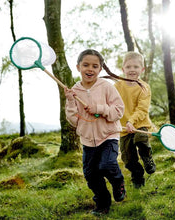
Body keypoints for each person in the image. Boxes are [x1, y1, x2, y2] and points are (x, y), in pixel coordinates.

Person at [64, 49, 126, 215]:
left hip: (108, 136)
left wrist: (99, 108)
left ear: (100, 69)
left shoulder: (107, 87)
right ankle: (102, 205)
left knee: (107, 165)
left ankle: (118, 182)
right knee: (91, 176)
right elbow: (73, 120)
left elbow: (119, 111)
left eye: (94, 66)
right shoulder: (74, 91)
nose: (90, 69)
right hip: (87, 140)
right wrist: (70, 101)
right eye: (86, 65)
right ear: (78, 67)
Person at [115, 51, 156, 189]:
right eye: (128, 67)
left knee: (140, 140)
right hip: (124, 128)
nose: (132, 70)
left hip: (139, 124)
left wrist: (131, 121)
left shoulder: (144, 87)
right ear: (123, 69)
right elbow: (109, 102)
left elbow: (142, 109)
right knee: (127, 158)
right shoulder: (117, 87)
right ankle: (137, 177)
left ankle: (147, 158)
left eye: (136, 67)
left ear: (142, 69)